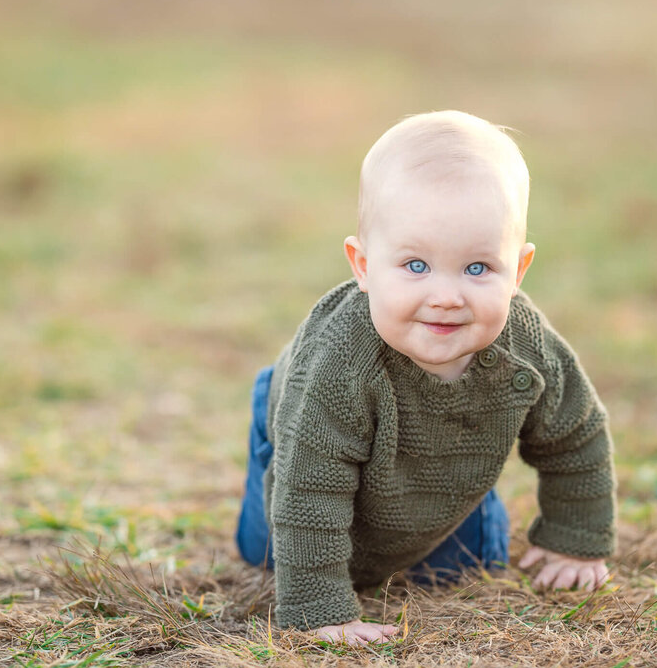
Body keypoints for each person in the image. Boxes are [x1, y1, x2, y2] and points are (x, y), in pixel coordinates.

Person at [235, 110, 615, 645]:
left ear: (519, 270)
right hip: (304, 450)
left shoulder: (527, 347)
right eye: (415, 265)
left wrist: (576, 538)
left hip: (447, 466)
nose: (446, 296)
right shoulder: (340, 361)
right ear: (363, 265)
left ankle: (447, 498)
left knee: (468, 565)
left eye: (478, 268)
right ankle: (268, 410)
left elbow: (574, 434)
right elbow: (308, 490)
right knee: (269, 552)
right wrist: (319, 609)